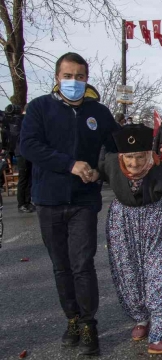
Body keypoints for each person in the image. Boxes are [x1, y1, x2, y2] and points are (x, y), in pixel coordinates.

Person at [20, 52, 120, 356]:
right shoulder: (39, 108)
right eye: (68, 75)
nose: (73, 82)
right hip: (48, 200)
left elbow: (117, 148)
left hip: (84, 201)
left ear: (86, 79)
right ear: (56, 78)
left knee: (82, 264)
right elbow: (28, 146)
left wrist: (99, 171)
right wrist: (70, 164)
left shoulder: (99, 112)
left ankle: (89, 324)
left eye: (79, 76)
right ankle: (72, 320)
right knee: (61, 266)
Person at [93, 124, 162, 355]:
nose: (134, 164)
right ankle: (140, 318)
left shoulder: (161, 170)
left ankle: (157, 335)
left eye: (139, 157)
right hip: (123, 224)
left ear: (149, 155)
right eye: (129, 158)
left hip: (158, 224)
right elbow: (95, 167)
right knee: (129, 274)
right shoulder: (110, 163)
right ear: (121, 156)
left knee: (159, 276)